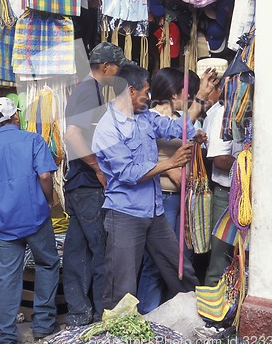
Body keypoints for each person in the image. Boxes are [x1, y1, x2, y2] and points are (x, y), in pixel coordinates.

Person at [92, 63, 217, 310]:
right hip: (125, 214)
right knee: (122, 285)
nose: (149, 97)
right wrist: (169, 163)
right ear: (130, 91)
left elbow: (177, 128)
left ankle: (198, 316)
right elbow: (127, 173)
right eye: (146, 92)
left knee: (179, 267)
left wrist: (200, 99)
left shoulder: (145, 117)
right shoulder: (107, 128)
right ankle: (118, 339)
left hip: (155, 211)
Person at [0, 97, 60, 344]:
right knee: (47, 264)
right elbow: (45, 175)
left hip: (4, 225)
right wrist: (48, 200)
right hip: (36, 219)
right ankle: (43, 327)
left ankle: (4, 339)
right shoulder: (34, 140)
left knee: (7, 279)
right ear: (16, 118)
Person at [62, 42, 128, 327]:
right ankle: (102, 314)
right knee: (101, 250)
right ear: (105, 67)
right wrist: (98, 169)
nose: (119, 73)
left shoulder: (86, 89)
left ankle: (79, 314)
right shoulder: (89, 91)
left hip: (77, 185)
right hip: (88, 186)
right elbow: (72, 135)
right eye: (117, 68)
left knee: (76, 251)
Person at [137, 67, 206, 313]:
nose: (188, 97)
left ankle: (172, 314)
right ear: (172, 92)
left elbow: (185, 138)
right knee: (156, 262)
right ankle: (148, 314)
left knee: (182, 259)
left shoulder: (180, 119)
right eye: (185, 92)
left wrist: (197, 138)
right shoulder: (148, 118)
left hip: (183, 199)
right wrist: (168, 170)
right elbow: (144, 159)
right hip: (162, 198)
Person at [203, 81, 242, 286]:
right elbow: (219, 158)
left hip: (246, 196)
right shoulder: (223, 113)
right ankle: (212, 314)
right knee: (221, 257)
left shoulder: (249, 110)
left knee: (242, 258)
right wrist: (249, 170)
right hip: (227, 195)